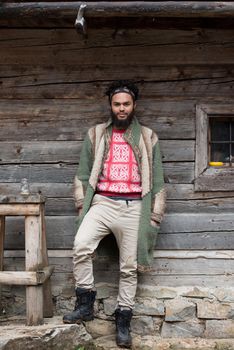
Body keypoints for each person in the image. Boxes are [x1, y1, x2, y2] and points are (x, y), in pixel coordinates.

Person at [63, 80, 166, 348]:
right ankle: (85, 301)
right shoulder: (96, 134)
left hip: (135, 208)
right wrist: (80, 205)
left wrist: (153, 217)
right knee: (81, 246)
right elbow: (83, 175)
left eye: (126, 104)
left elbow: (157, 182)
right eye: (117, 104)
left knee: (129, 268)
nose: (121, 109)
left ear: (134, 106)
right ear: (110, 105)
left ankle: (123, 321)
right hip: (102, 203)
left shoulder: (148, 137)